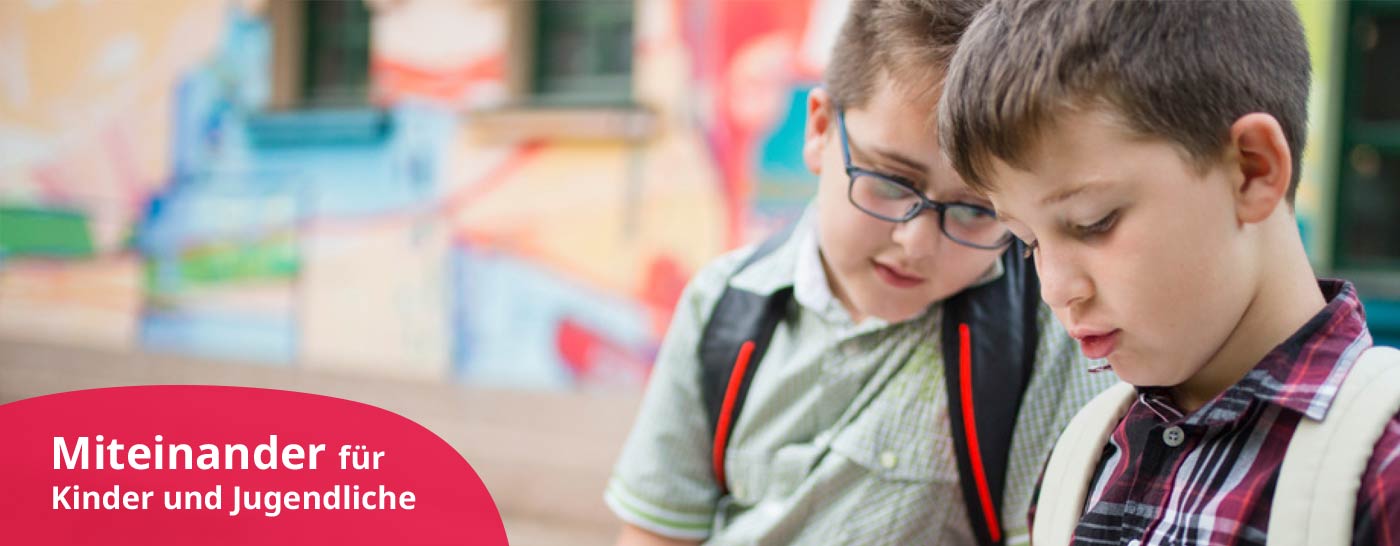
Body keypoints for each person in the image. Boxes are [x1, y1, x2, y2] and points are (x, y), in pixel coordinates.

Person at [604, 1, 1115, 544]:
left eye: (974, 209)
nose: (915, 242)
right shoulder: (722, 305)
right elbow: (657, 530)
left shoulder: (1042, 333)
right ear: (821, 130)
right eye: (891, 183)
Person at [936, 1, 1400, 544]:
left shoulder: (1381, 470)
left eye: (1094, 222)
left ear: (1252, 170)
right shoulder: (1081, 459)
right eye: (1028, 243)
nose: (1056, 288)